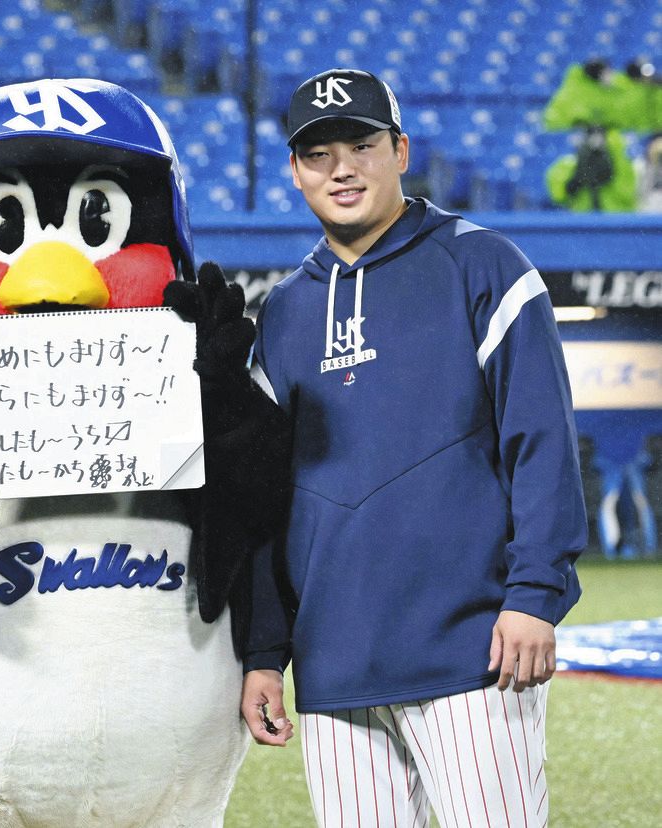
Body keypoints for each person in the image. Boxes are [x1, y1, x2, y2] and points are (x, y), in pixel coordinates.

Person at [243, 68, 586, 827]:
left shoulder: (485, 266)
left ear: (400, 150)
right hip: (334, 667)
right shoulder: (285, 312)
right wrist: (265, 651)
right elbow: (263, 499)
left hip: (474, 654)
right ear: (295, 171)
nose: (341, 168)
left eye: (361, 145)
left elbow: (542, 441)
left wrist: (534, 596)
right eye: (318, 153)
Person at [545, 124, 637, 212]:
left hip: (615, 221)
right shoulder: (567, 164)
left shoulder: (623, 165)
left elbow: (629, 194)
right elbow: (557, 197)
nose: (596, 141)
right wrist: (576, 180)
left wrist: (609, 173)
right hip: (582, 221)